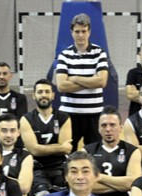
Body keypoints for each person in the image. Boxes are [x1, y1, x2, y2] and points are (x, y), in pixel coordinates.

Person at [84, 106, 142, 196]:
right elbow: (85, 185)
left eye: (112, 125)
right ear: (98, 129)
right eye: (104, 125)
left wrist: (100, 177)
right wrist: (120, 185)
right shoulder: (87, 151)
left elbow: (133, 183)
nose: (108, 129)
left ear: (120, 128)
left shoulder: (132, 151)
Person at [55, 13, 109, 149]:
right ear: (72, 32)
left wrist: (74, 78)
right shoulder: (64, 55)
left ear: (89, 32)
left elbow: (102, 82)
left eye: (84, 31)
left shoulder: (99, 53)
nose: (80, 35)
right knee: (68, 152)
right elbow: (61, 86)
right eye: (77, 31)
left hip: (94, 114)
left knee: (94, 153)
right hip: (69, 114)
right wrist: (91, 80)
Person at [20, 79, 72, 196]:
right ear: (34, 95)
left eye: (47, 92)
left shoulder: (63, 117)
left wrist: (40, 148)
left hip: (59, 167)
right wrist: (60, 147)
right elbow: (34, 150)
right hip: (37, 168)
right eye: (40, 92)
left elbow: (67, 149)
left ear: (53, 95)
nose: (44, 95)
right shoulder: (26, 119)